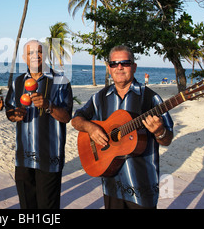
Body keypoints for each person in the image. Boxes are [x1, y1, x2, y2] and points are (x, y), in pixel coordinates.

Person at [71, 45, 174, 209]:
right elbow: (76, 119)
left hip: (142, 187)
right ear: (109, 68)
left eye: (125, 63)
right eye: (114, 64)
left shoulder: (151, 99)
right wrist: (90, 128)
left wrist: (160, 132)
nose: (119, 67)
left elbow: (167, 139)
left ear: (134, 67)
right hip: (111, 185)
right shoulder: (99, 98)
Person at [5, 40, 73, 209]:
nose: (35, 56)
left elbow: (66, 117)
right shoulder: (18, 82)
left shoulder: (61, 80)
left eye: (39, 52)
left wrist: (48, 105)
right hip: (23, 158)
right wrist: (15, 115)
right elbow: (9, 111)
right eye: (30, 53)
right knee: (26, 207)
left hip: (49, 158)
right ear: (24, 57)